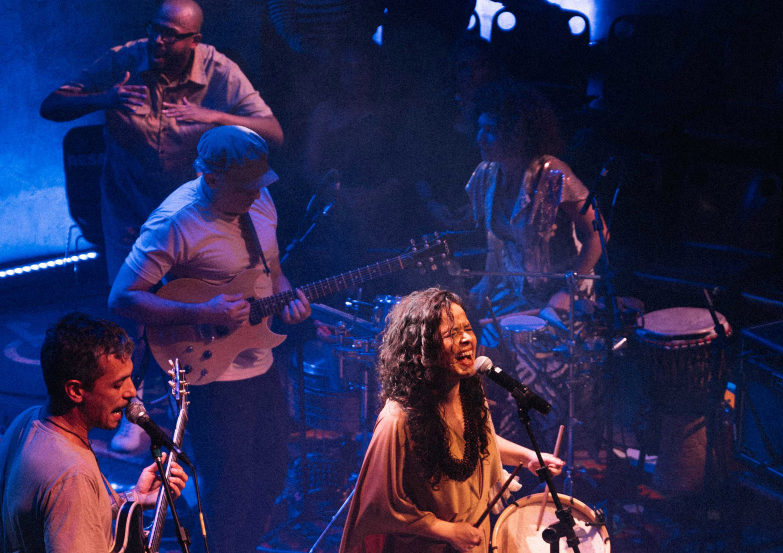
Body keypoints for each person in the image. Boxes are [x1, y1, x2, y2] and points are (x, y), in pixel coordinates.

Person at [108, 125, 311, 553]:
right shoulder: (175, 221)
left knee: (272, 474)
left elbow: (274, 274)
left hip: (259, 360)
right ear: (210, 176)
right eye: (244, 187)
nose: (255, 195)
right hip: (208, 371)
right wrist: (202, 312)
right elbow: (122, 297)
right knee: (228, 491)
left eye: (258, 184)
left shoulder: (259, 199)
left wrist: (288, 299)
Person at [39, 0, 283, 285]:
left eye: (169, 35)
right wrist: (105, 98)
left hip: (188, 211)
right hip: (127, 204)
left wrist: (216, 116)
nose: (157, 41)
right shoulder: (124, 59)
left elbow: (273, 133)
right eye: (154, 29)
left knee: (190, 297)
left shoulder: (219, 70)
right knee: (128, 297)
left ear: (194, 40)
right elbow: (51, 106)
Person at [339, 287, 563, 553]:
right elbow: (377, 505)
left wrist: (527, 457)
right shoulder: (397, 418)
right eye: (452, 334)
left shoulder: (470, 394)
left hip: (474, 542)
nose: (466, 339)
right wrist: (445, 530)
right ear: (422, 349)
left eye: (467, 329)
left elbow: (477, 441)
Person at [0, 312, 188, 553]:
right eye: (118, 384)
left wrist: (135, 498)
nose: (131, 392)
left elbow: (64, 512)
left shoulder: (28, 421)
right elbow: (70, 497)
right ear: (76, 391)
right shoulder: (72, 475)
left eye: (130, 378)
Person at [466, 80, 605, 317]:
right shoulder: (486, 174)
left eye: (490, 131)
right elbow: (496, 237)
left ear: (517, 134)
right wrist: (487, 281)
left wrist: (568, 289)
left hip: (563, 293)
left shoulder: (552, 174)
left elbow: (598, 234)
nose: (480, 138)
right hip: (516, 290)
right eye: (480, 128)